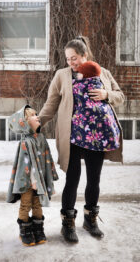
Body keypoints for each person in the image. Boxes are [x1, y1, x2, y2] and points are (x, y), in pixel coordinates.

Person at [39, 36, 125, 243]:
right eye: (68, 59)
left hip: (97, 137)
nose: (71, 62)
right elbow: (52, 102)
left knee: (94, 179)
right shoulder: (62, 75)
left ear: (85, 55)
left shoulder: (102, 72)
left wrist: (107, 94)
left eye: (75, 58)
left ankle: (90, 219)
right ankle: (67, 223)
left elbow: (120, 96)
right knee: (72, 179)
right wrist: (38, 121)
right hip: (73, 138)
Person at [7, 105, 58, 246]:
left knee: (37, 204)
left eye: (36, 114)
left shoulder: (41, 138)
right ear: (26, 123)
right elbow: (25, 165)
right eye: (33, 115)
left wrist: (49, 178)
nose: (37, 117)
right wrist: (33, 181)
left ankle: (38, 230)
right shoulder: (25, 142)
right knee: (26, 205)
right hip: (28, 183)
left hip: (40, 181)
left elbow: (47, 159)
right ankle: (25, 231)